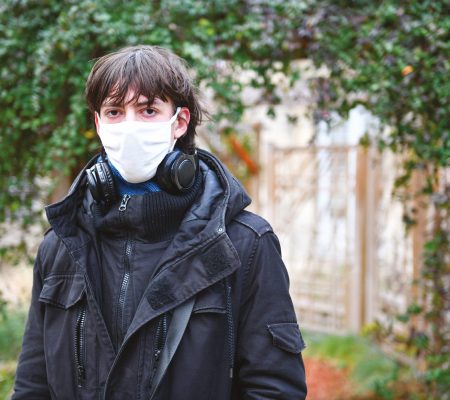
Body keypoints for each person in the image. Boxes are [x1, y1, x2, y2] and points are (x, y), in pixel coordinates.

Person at [13, 45, 307, 399]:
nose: (130, 126)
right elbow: (33, 387)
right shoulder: (61, 246)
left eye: (148, 110)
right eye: (115, 111)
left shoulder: (244, 244)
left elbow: (274, 389)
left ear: (179, 122)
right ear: (98, 123)